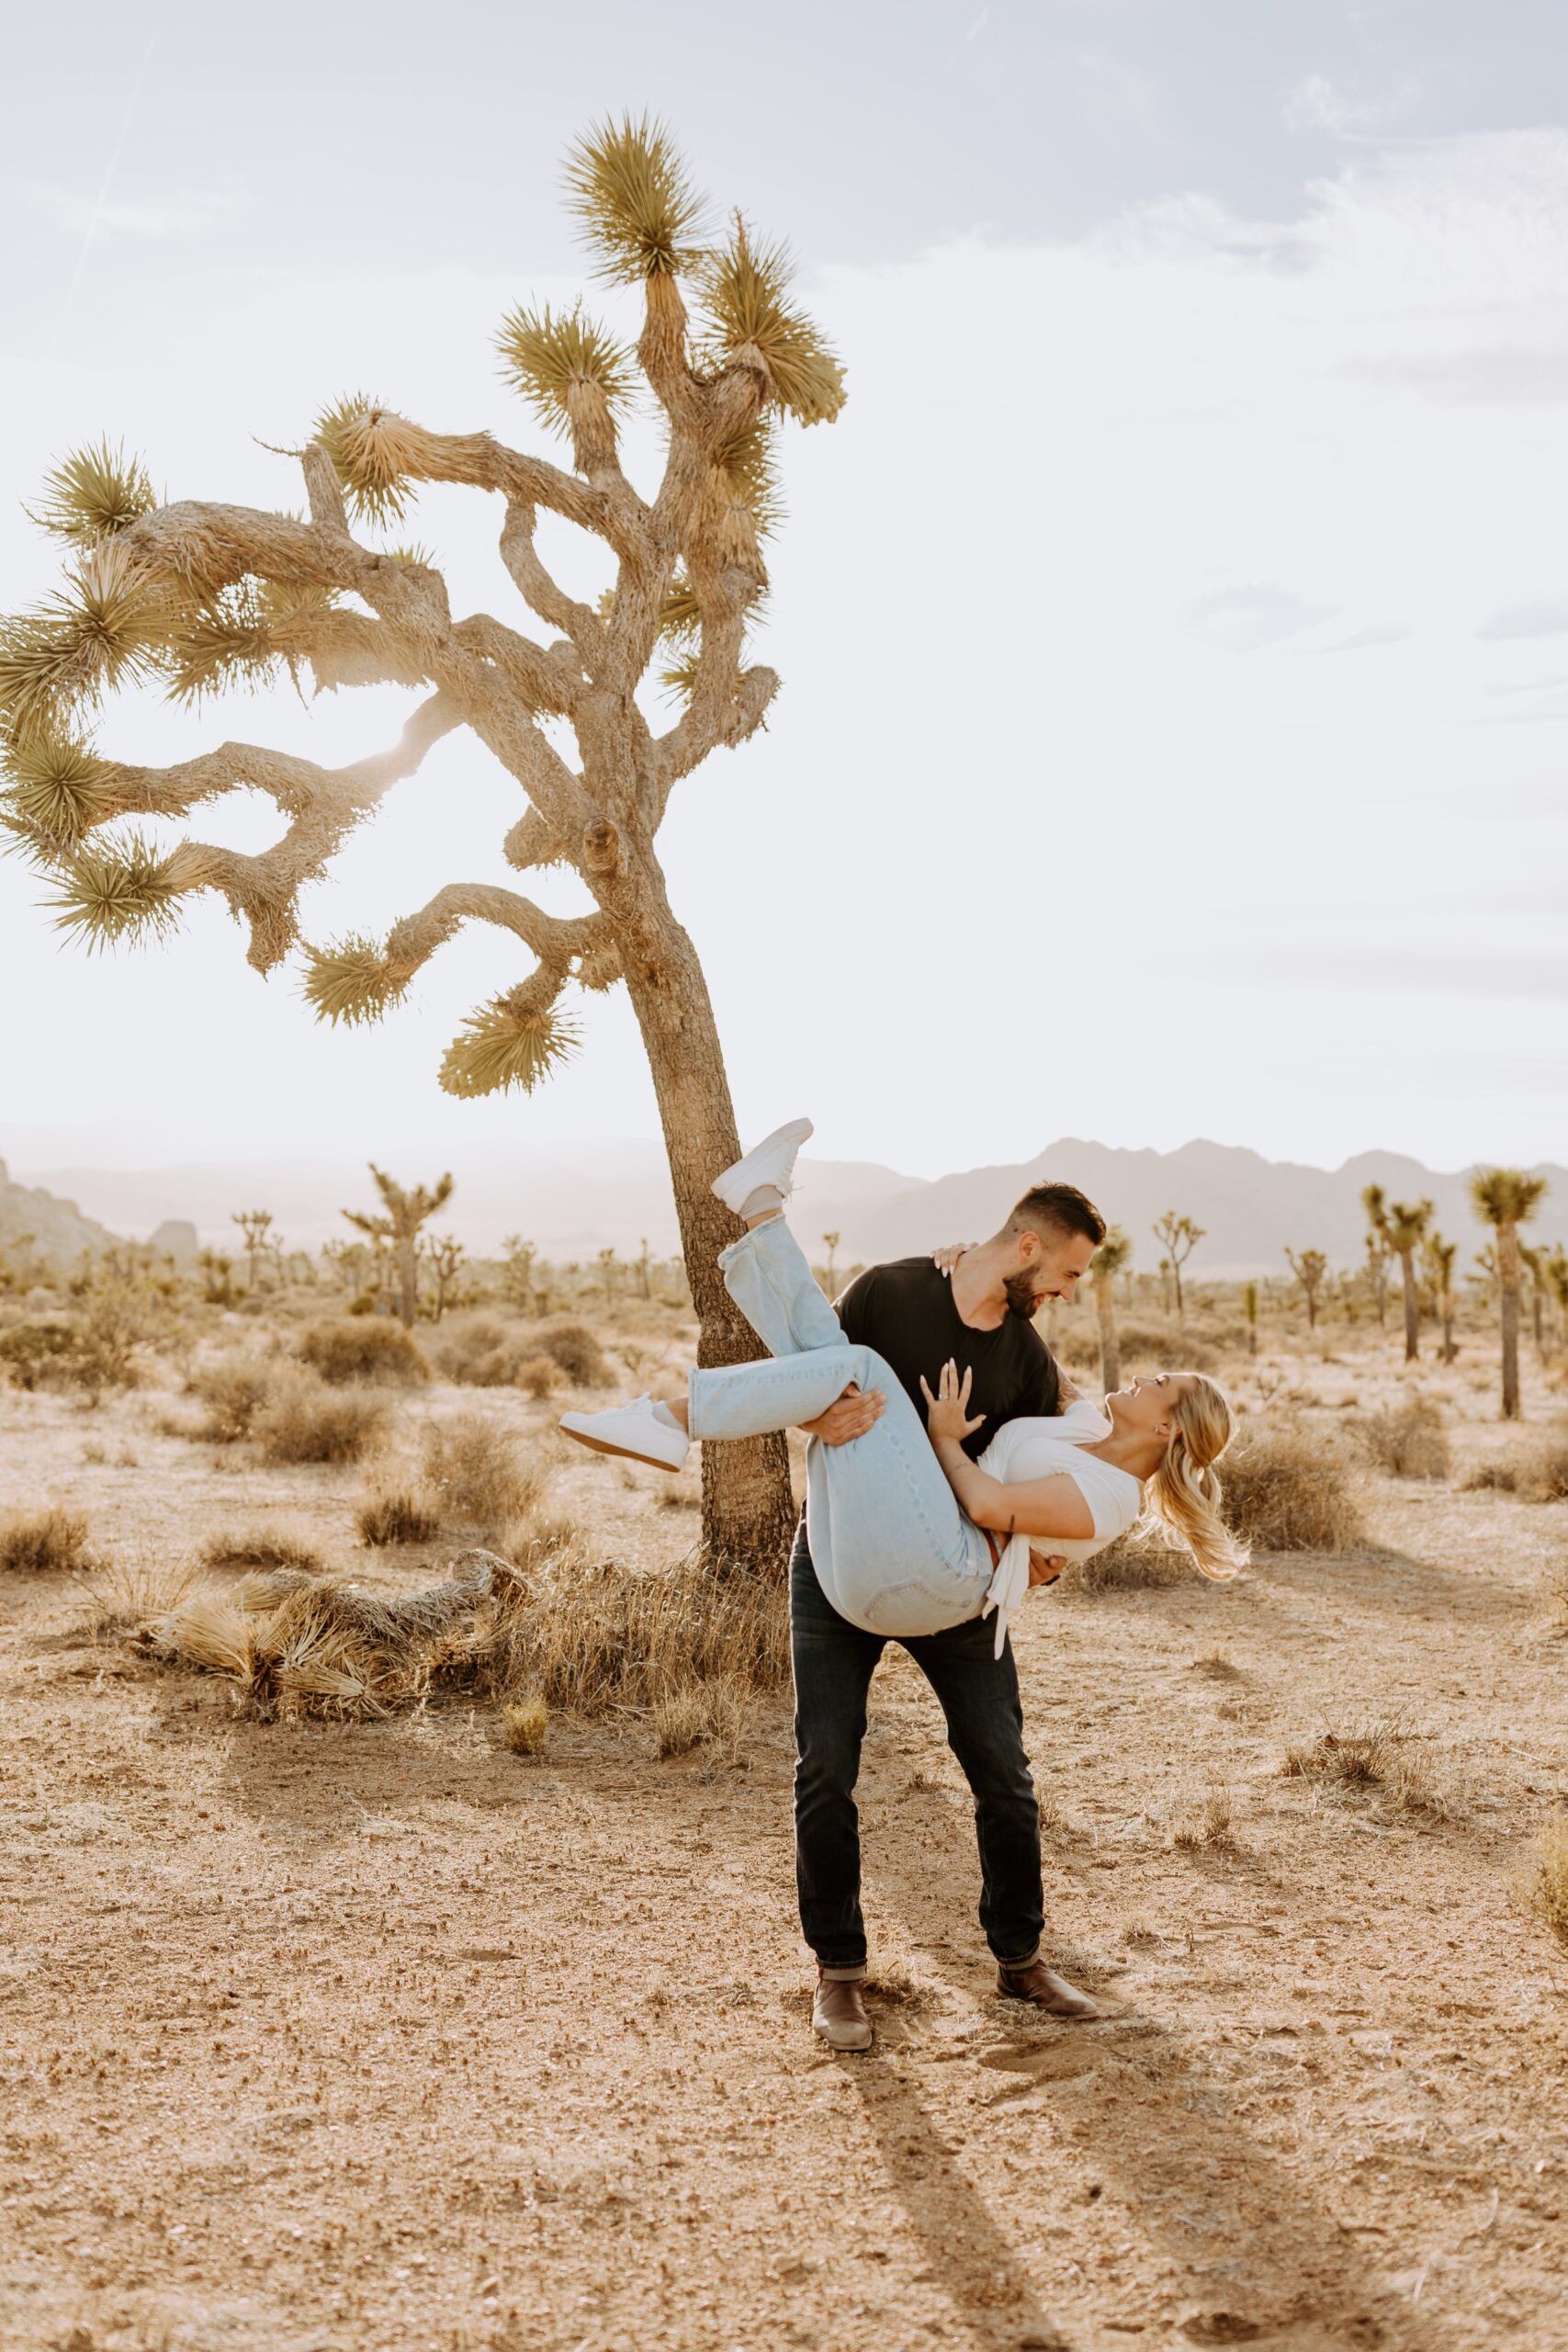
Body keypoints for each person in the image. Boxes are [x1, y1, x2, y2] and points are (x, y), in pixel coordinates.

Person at [560, 1119, 1244, 2049]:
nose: (1070, 1293)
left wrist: (1035, 1544)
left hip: (950, 1576)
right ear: (1030, 1248)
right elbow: (810, 1374)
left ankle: (1023, 1958)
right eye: (1069, 1273)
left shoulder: (1032, 1363)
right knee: (823, 1767)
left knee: (1002, 1772)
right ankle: (838, 1973)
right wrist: (830, 1420)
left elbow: (1047, 1489)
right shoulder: (893, 1287)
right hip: (839, 1549)